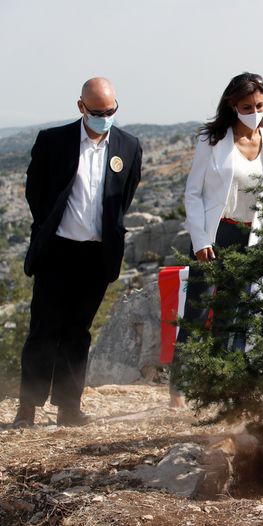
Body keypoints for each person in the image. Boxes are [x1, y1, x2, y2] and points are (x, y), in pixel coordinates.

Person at [13, 78, 142, 427]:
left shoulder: (129, 146)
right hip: (57, 250)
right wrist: (52, 225)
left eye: (110, 111)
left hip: (96, 256)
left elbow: (123, 198)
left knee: (77, 332)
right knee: (44, 329)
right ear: (81, 107)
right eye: (97, 112)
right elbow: (35, 192)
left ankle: (68, 408)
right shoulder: (53, 141)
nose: (104, 117)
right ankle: (28, 407)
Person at [173, 72, 263, 407]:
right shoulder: (212, 140)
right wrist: (200, 239)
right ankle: (178, 388)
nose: (254, 111)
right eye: (247, 106)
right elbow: (193, 194)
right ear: (233, 105)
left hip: (252, 237)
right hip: (215, 233)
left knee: (234, 316)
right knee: (198, 310)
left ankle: (221, 388)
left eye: (259, 105)